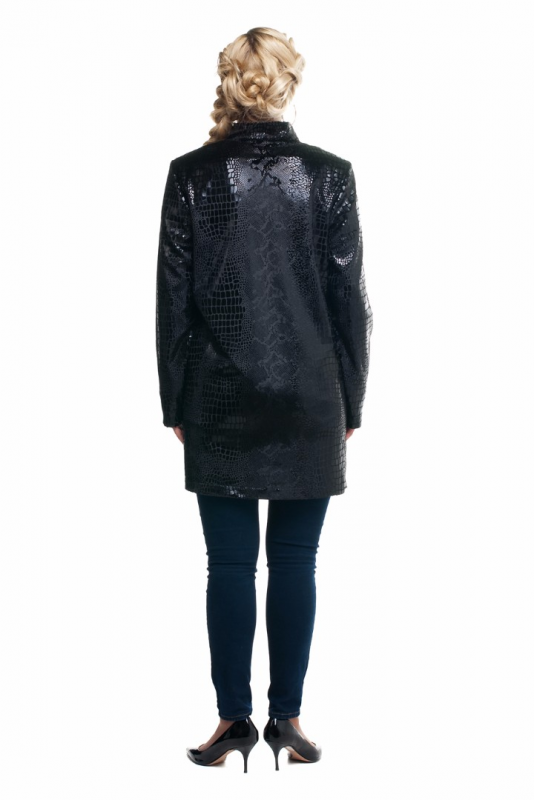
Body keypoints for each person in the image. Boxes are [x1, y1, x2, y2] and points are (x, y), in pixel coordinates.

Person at [155, 27, 373, 772]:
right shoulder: (330, 175)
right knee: (296, 562)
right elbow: (349, 302)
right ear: (288, 83)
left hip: (217, 395)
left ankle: (231, 722)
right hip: (311, 397)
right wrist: (352, 402)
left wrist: (175, 402)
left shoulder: (190, 175)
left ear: (230, 84)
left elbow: (173, 301)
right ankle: (290, 721)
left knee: (227, 565)